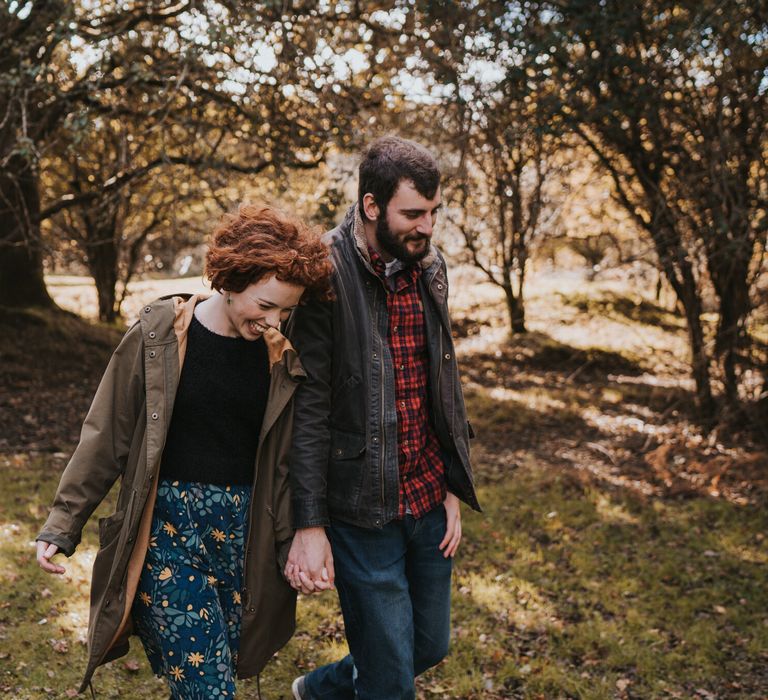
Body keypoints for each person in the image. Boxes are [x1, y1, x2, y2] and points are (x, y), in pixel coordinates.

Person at [36, 203, 333, 698]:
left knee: (219, 668)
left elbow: (293, 458)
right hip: (168, 532)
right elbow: (106, 434)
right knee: (208, 689)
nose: (274, 320)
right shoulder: (159, 337)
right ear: (231, 280)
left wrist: (303, 534)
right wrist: (63, 523)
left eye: (285, 311)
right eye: (265, 305)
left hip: (242, 536)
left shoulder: (282, 359)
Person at [285, 136, 481, 700]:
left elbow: (442, 382)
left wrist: (452, 484)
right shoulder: (322, 272)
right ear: (372, 207)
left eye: (434, 212)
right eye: (413, 214)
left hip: (426, 497)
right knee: (391, 680)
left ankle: (319, 691)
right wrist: (310, 522)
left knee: (428, 645)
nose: (428, 227)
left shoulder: (430, 265)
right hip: (361, 509)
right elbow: (309, 409)